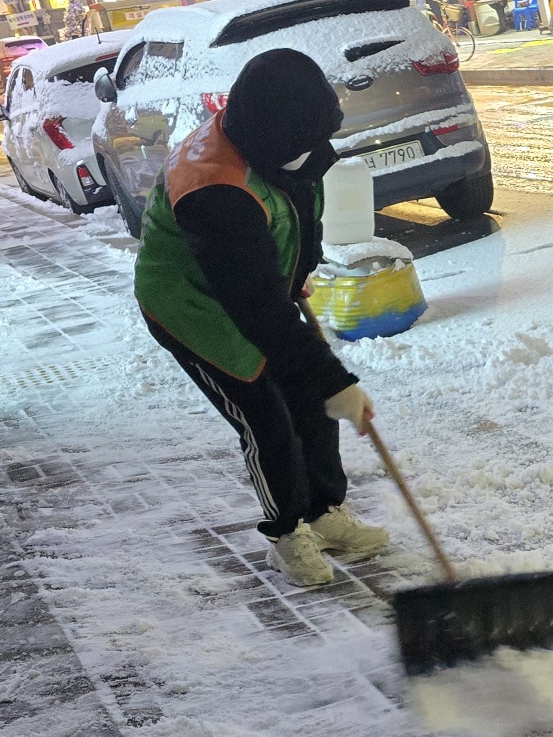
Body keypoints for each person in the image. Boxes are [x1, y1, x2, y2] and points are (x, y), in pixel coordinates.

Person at [133, 46, 388, 588]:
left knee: (310, 402)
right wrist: (333, 377)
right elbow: (255, 311)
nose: (316, 152)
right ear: (270, 135)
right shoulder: (214, 188)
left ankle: (325, 513)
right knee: (266, 416)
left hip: (253, 282)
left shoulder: (285, 143)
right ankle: (287, 533)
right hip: (193, 304)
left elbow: (300, 213)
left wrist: (298, 276)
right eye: (305, 142)